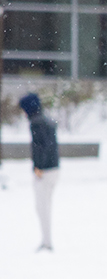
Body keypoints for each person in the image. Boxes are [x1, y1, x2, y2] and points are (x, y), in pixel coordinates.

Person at [21, 92, 58, 252]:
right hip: (54, 168)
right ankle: (46, 240)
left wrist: (39, 167)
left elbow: (41, 147)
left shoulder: (36, 123)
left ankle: (46, 242)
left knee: (42, 207)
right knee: (45, 205)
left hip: (44, 171)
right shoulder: (46, 120)